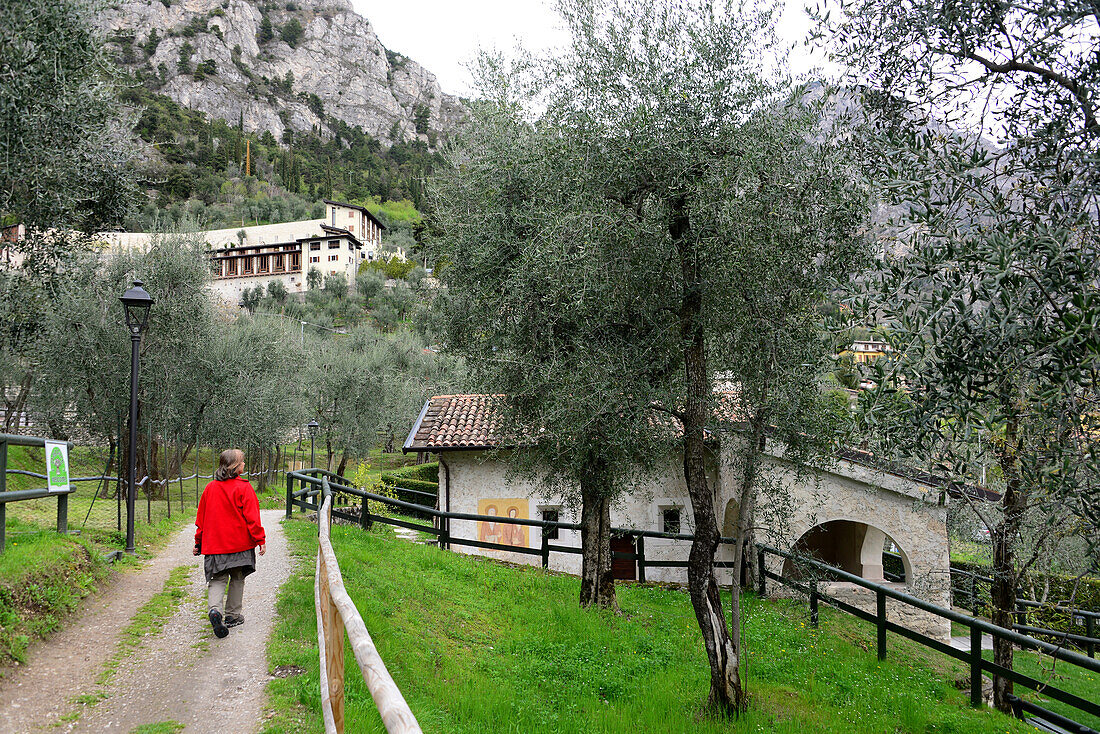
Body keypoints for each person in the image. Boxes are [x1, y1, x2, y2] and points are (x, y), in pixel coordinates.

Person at [194, 449, 266, 639]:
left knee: (217, 579)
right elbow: (253, 519)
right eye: (242, 462)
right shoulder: (244, 488)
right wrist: (260, 540)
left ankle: (214, 611)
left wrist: (198, 542)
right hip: (239, 545)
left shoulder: (210, 488)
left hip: (215, 545)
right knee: (237, 578)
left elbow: (201, 519)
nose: (244, 464)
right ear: (235, 466)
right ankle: (233, 616)